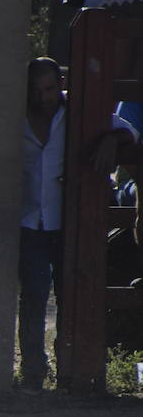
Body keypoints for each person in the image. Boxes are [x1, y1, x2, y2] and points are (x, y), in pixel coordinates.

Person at [21, 57, 139, 390]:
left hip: (67, 220)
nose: (44, 97)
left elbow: (127, 129)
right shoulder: (18, 115)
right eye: (37, 90)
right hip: (30, 218)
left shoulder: (78, 108)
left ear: (59, 83)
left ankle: (69, 368)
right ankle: (33, 370)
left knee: (69, 295)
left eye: (48, 89)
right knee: (33, 295)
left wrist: (109, 140)